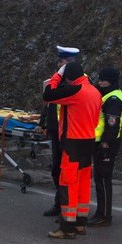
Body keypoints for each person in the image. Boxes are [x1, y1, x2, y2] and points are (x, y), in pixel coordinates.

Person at [42, 60, 102, 239]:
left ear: (68, 78)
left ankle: (67, 226)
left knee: (68, 183)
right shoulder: (95, 92)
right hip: (88, 141)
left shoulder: (75, 90)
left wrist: (57, 75)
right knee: (83, 183)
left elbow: (48, 94)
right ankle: (80, 223)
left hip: (72, 143)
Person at [43, 45, 79, 217]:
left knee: (67, 172)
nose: (59, 64)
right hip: (57, 130)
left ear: (70, 62)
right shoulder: (57, 80)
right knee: (57, 169)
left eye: (62, 61)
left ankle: (67, 206)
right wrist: (44, 124)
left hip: (70, 133)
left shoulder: (77, 81)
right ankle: (60, 203)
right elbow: (49, 104)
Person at [89, 67, 122, 227]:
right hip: (102, 142)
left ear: (110, 81)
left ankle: (104, 215)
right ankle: (101, 212)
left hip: (107, 144)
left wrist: (105, 144)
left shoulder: (113, 100)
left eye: (103, 80)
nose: (100, 82)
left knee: (103, 179)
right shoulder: (108, 95)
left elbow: (112, 125)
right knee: (99, 177)